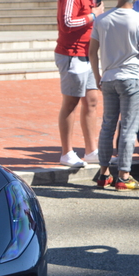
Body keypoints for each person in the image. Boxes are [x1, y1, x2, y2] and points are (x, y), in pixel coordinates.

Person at [89, 0, 139, 190]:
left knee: (107, 125)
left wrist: (97, 76)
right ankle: (124, 176)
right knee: (128, 127)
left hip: (108, 78)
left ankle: (104, 174)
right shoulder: (136, 19)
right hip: (132, 77)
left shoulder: (101, 19)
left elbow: (92, 51)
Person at [55, 0, 105, 167]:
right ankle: (66, 152)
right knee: (71, 103)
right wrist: (93, 15)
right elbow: (67, 23)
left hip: (88, 54)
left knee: (91, 102)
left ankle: (91, 151)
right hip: (72, 54)